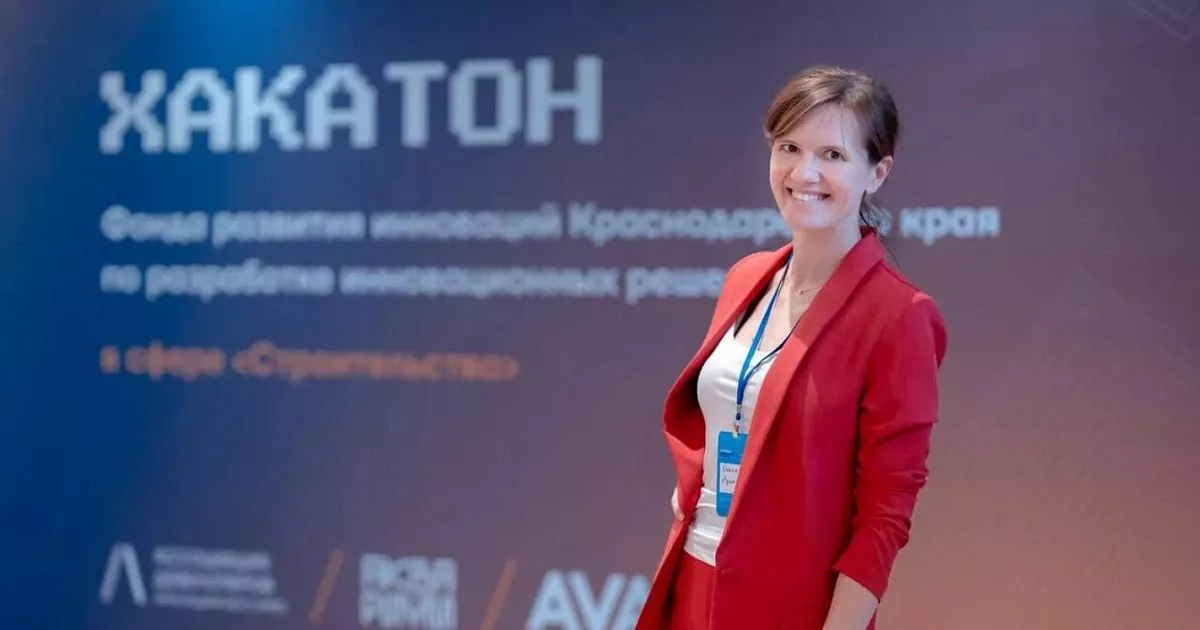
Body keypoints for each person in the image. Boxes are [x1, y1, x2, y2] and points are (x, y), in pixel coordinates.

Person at [634, 65, 948, 630]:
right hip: (693, 581)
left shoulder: (899, 315)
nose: (805, 172)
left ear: (877, 173)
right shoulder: (747, 276)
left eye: (833, 155)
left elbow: (885, 515)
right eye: (789, 148)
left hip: (791, 608)